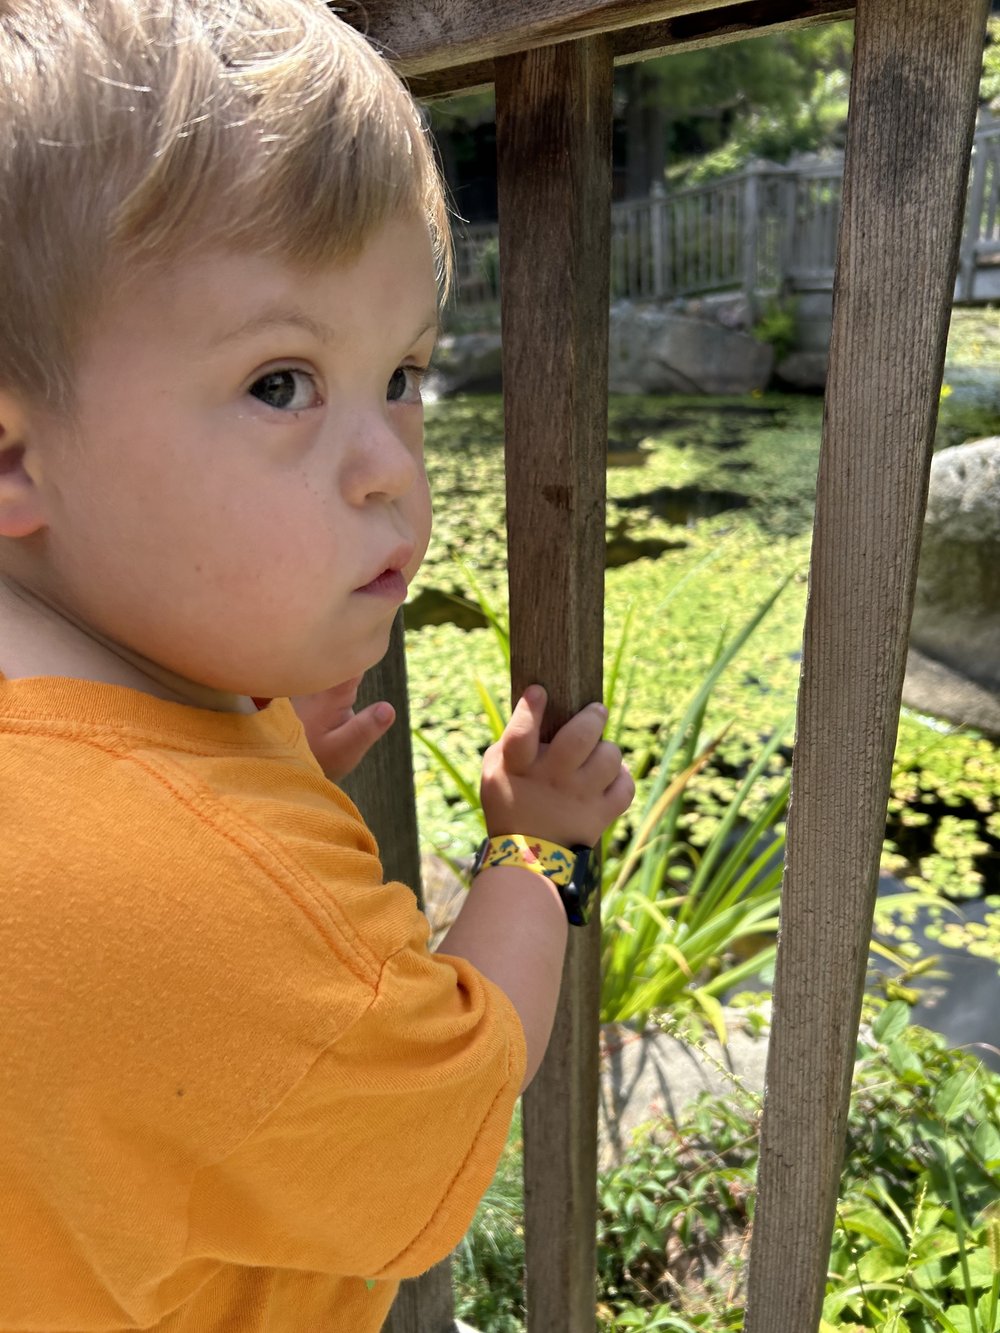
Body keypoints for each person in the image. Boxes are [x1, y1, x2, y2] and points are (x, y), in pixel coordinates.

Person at [0, 2, 634, 1330]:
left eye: (402, 371)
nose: (393, 466)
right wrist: (536, 851)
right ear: (14, 456)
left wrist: (259, 745)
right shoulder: (223, 897)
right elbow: (459, 1080)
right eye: (283, 383)